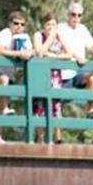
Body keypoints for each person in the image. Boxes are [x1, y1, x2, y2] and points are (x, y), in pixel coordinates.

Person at [57, 1, 93, 121]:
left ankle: (90, 109)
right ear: (68, 15)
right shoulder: (60, 28)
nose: (76, 18)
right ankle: (53, 138)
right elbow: (61, 47)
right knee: (56, 105)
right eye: (73, 14)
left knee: (92, 78)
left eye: (79, 15)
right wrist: (76, 56)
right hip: (63, 72)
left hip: (78, 71)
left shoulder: (82, 29)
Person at [0, 10, 33, 144]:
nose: (19, 27)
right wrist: (18, 53)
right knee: (3, 91)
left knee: (30, 95)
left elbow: (31, 50)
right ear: (10, 23)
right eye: (16, 23)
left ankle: (29, 135)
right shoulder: (5, 33)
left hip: (18, 71)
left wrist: (27, 53)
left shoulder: (25, 37)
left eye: (22, 24)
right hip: (3, 68)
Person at [33, 12, 72, 144]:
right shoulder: (38, 35)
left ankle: (58, 138)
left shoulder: (59, 36)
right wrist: (50, 38)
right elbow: (40, 52)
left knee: (56, 106)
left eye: (54, 24)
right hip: (41, 76)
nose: (51, 27)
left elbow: (69, 54)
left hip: (55, 76)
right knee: (40, 107)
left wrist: (54, 56)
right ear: (43, 26)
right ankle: (40, 138)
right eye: (48, 24)